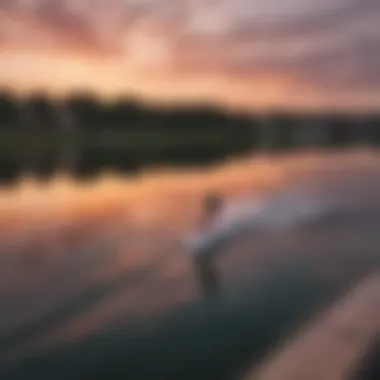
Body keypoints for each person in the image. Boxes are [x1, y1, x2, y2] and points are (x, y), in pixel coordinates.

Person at [185, 192, 224, 297]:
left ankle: (209, 289)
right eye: (216, 205)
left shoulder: (209, 216)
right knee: (205, 269)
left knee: (205, 269)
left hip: (201, 251)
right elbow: (201, 232)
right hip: (200, 250)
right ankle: (210, 289)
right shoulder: (208, 217)